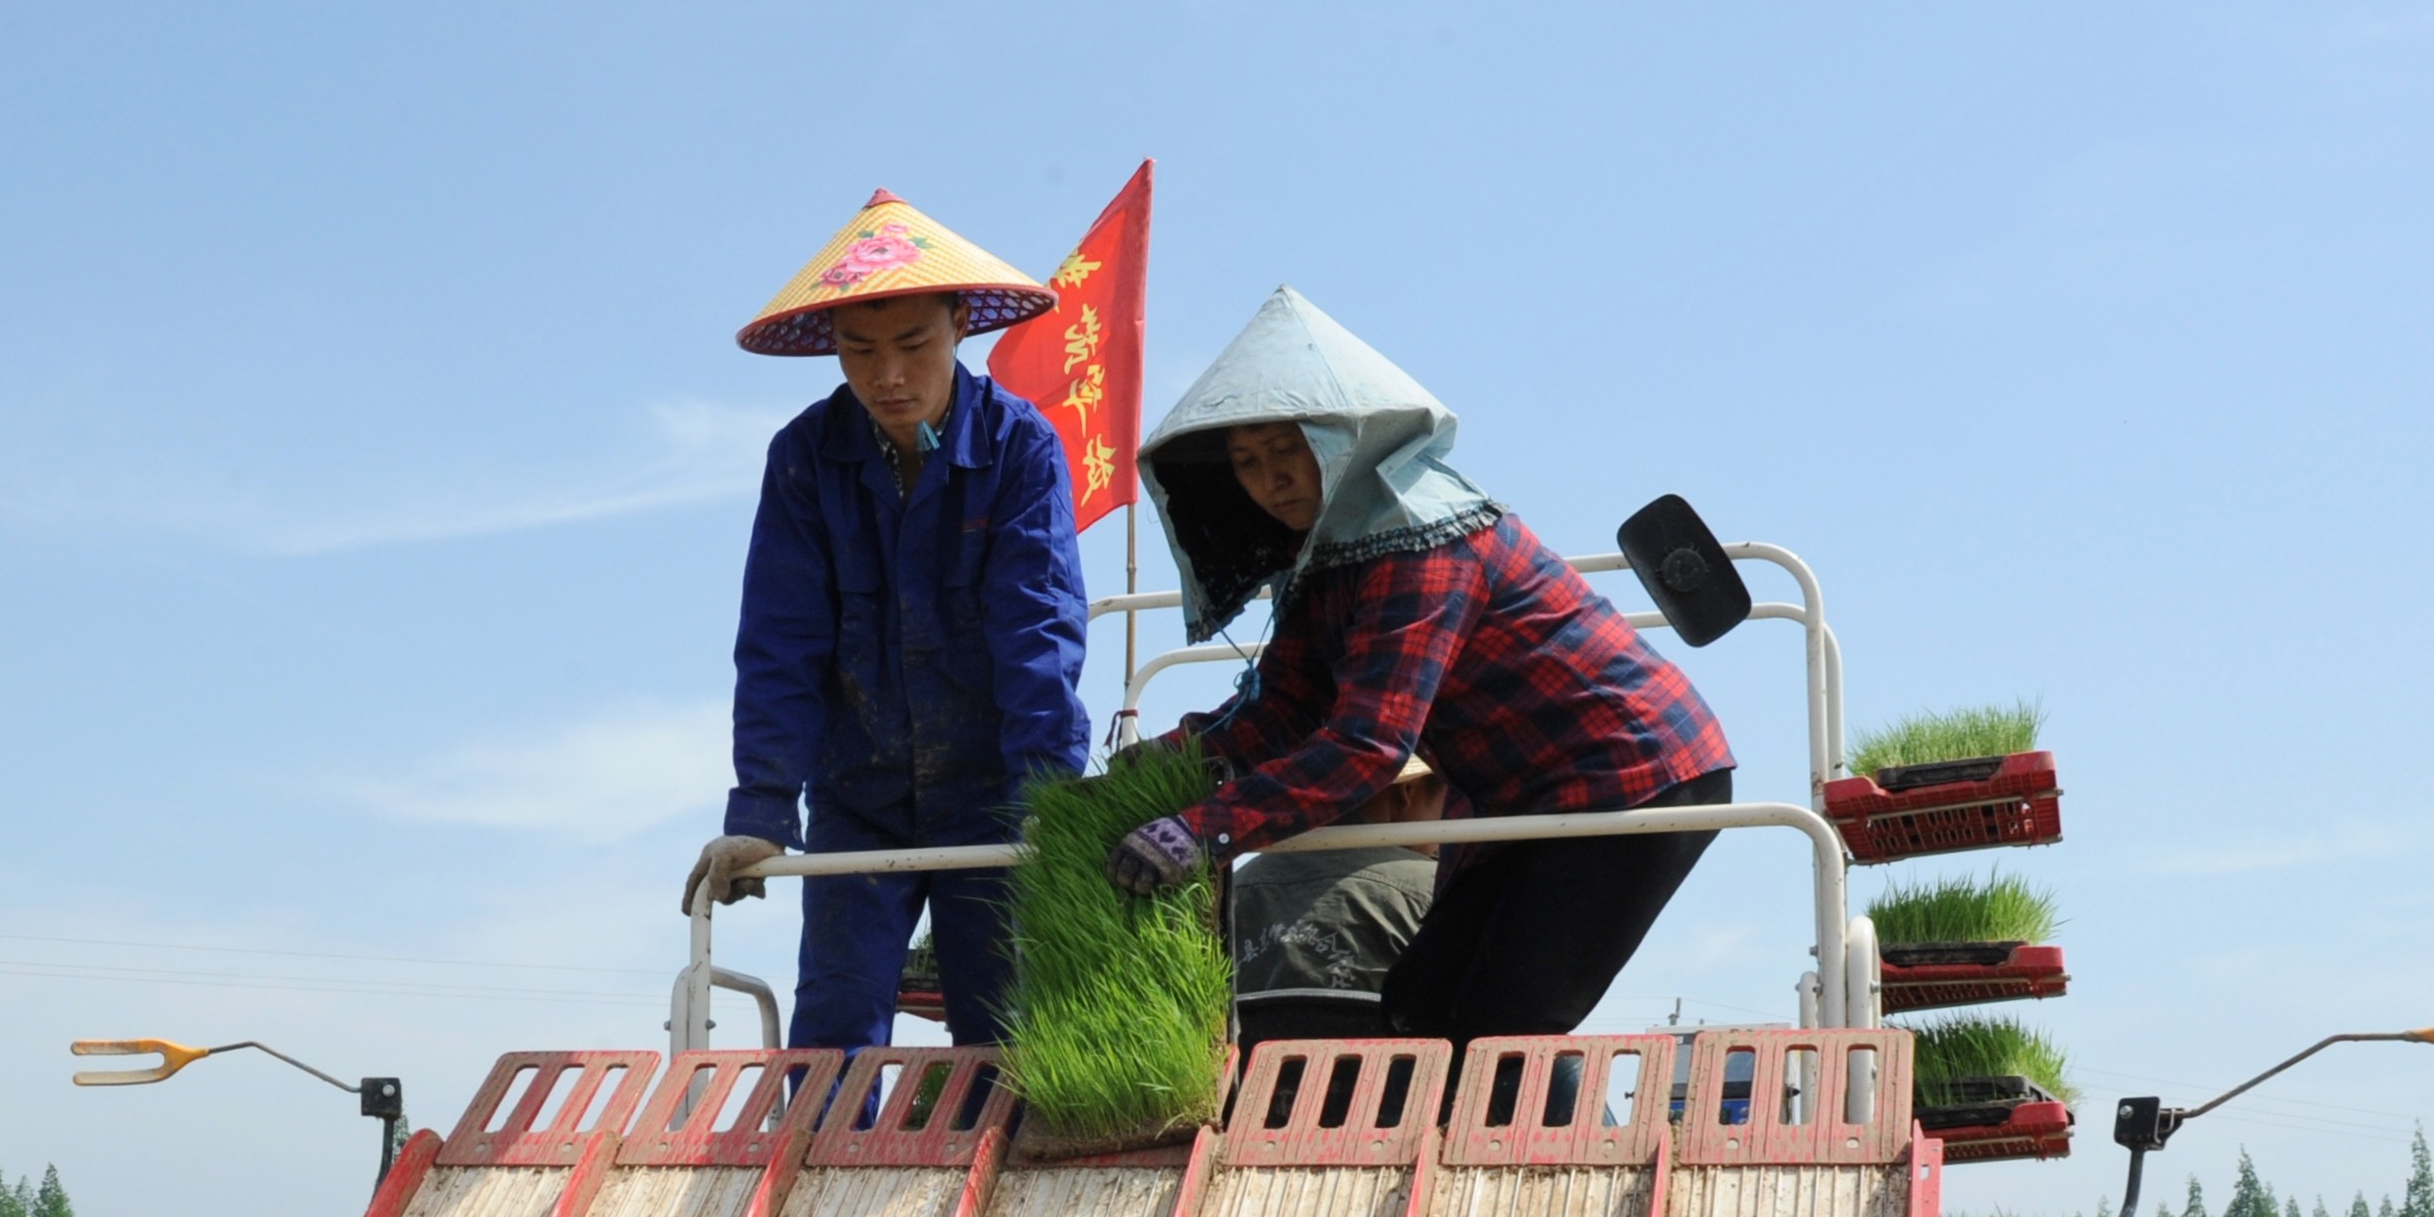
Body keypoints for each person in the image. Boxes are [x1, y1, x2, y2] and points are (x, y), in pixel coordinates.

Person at [1101, 289, 1732, 1048]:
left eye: (1288, 449)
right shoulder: (1331, 554)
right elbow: (1283, 708)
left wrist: (1201, 829)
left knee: (1504, 1021)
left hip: (1633, 775)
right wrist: (1153, 768)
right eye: (1246, 461)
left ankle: (1503, 1170)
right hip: (1516, 798)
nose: (1271, 479)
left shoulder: (1416, 538)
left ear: (1341, 443)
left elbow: (1367, 745)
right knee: (1417, 1008)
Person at [688, 191, 1092, 1052]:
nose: (888, 376)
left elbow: (1039, 633)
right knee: (833, 1021)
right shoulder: (803, 457)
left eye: (913, 345)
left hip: (994, 793)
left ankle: (1011, 1183)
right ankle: (811, 1177)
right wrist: (761, 806)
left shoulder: (1021, 448)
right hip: (856, 793)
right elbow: (778, 640)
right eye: (859, 351)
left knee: (1006, 1023)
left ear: (958, 327)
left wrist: (1047, 802)